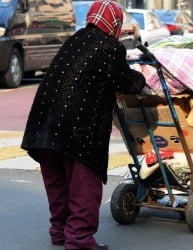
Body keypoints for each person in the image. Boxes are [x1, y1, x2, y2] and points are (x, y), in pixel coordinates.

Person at [21, 0, 146, 249]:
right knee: (83, 188)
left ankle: (59, 232)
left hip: (42, 128)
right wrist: (141, 77)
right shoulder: (110, 48)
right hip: (78, 130)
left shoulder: (74, 40)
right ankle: (78, 239)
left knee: (57, 186)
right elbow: (127, 81)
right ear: (115, 23)